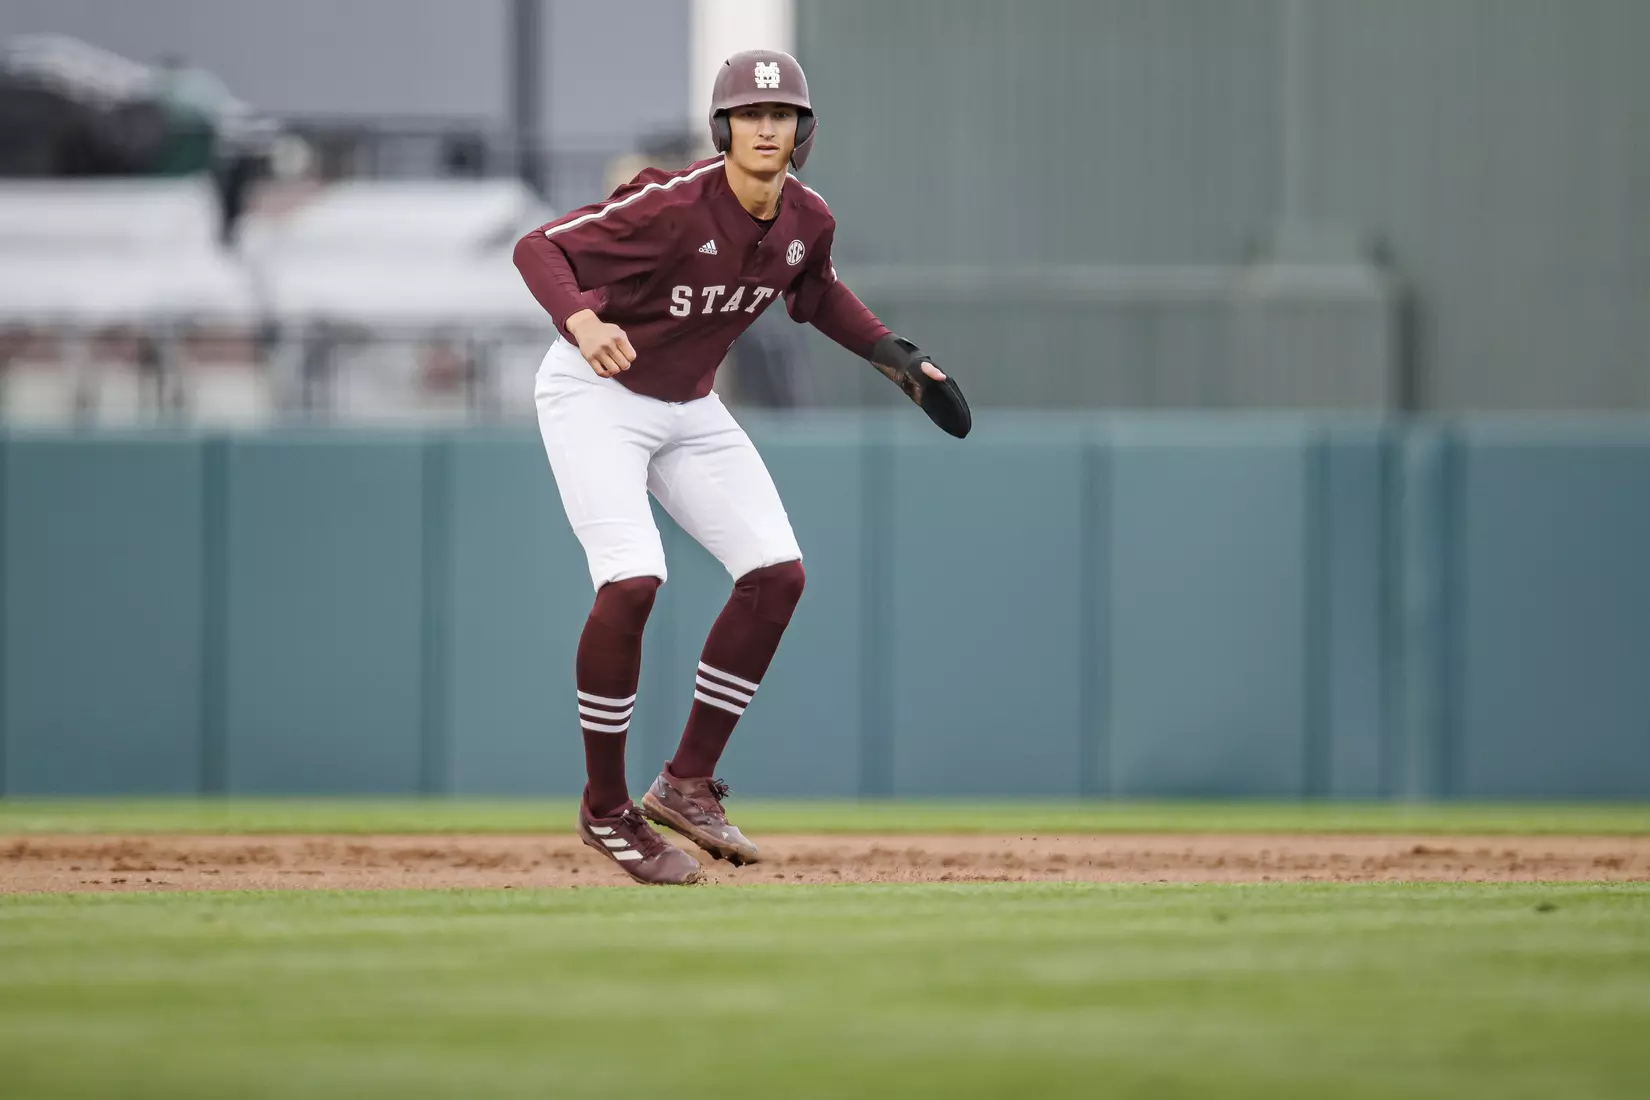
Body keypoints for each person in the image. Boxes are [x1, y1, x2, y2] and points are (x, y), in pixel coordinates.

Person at [513, 49, 969, 885]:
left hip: (688, 403)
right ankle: (606, 810)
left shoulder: (807, 218)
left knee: (776, 574)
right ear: (724, 129)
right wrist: (581, 323)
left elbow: (817, 290)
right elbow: (538, 247)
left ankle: (686, 782)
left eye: (783, 114)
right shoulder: (672, 204)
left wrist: (892, 354)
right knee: (632, 580)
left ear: (802, 131)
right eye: (752, 115)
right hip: (596, 390)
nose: (768, 127)